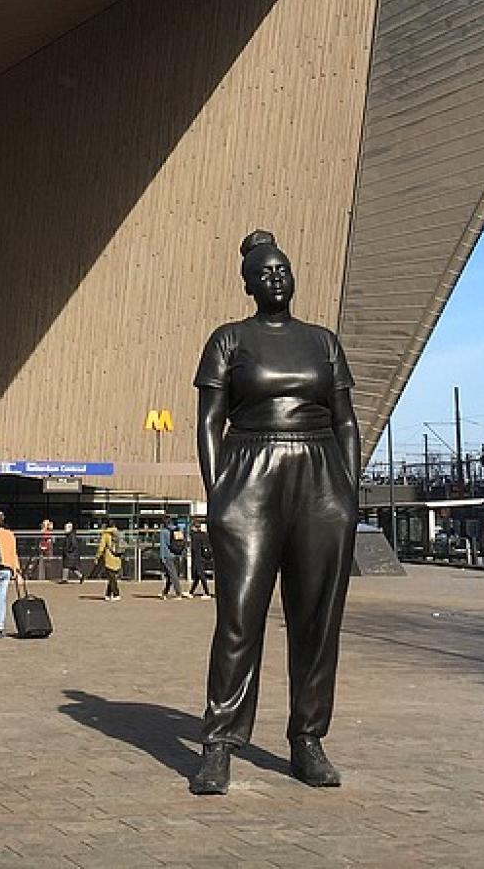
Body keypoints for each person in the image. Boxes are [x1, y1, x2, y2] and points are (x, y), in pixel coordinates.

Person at [190, 231, 360, 796]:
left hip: (320, 475)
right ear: (248, 285)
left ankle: (307, 739)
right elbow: (210, 421)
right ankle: (219, 743)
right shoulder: (229, 340)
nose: (276, 278)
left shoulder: (323, 342)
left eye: (282, 269)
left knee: (317, 618)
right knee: (240, 616)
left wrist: (349, 487)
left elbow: (346, 420)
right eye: (264, 273)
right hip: (249, 470)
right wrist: (219, 492)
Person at [0, 511, 23, 635]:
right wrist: (17, 571)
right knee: (1, 597)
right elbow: (14, 553)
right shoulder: (10, 534)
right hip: (7, 568)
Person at [95, 524, 123, 602]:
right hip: (117, 557)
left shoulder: (106, 534)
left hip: (109, 558)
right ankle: (108, 594)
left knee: (112, 577)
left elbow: (101, 547)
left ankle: (116, 594)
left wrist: (97, 556)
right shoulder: (118, 533)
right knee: (112, 577)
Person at [156, 520, 184, 599]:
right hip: (175, 555)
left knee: (173, 575)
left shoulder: (164, 532)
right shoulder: (177, 530)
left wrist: (162, 558)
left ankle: (178, 593)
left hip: (167, 555)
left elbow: (163, 545)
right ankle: (165, 593)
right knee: (169, 575)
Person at [189, 521, 214, 599]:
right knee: (197, 576)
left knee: (201, 575)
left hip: (198, 557)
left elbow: (194, 548)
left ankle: (207, 593)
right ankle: (191, 592)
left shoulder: (194, 536)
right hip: (204, 557)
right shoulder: (204, 535)